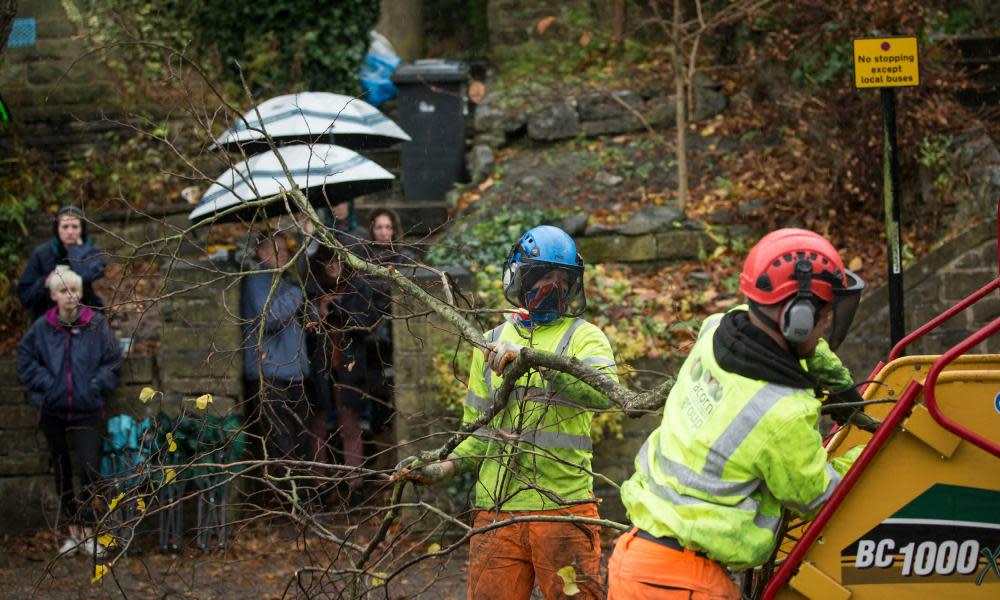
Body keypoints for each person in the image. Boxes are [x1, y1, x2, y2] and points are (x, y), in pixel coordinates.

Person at [607, 228, 867, 599]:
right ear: (799, 318)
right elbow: (820, 497)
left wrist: (841, 387)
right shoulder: (782, 412)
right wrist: (871, 452)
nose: (826, 324)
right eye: (823, 315)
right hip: (683, 583)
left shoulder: (717, 329)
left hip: (635, 560)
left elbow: (794, 348)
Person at [395, 225, 618, 600]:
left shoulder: (585, 336)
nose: (554, 287)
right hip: (495, 510)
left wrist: (536, 363)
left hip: (562, 508)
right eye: (544, 276)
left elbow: (605, 393)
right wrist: (441, 467)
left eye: (562, 279)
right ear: (519, 276)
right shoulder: (492, 340)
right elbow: (476, 434)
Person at [16, 266, 120, 556]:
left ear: (81, 293)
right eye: (63, 291)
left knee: (89, 470)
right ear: (53, 296)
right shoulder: (41, 328)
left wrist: (96, 385)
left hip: (87, 410)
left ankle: (88, 532)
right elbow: (24, 360)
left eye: (74, 290)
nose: (70, 296)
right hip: (53, 411)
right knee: (62, 472)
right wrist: (48, 385)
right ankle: (73, 533)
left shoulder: (97, 325)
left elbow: (113, 359)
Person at [306, 245, 378, 506]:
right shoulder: (311, 292)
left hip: (350, 370)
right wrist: (319, 313)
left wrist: (339, 312)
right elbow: (306, 332)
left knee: (351, 427)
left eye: (337, 260)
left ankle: (355, 487)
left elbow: (367, 324)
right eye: (327, 261)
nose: (333, 266)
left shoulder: (357, 290)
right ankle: (319, 488)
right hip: (320, 370)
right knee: (318, 428)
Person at [241, 231, 311, 463]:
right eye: (276, 250)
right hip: (270, 376)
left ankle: (304, 495)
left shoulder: (283, 282)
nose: (283, 255)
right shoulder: (257, 281)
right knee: (282, 446)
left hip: (294, 375)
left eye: (285, 250)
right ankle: (291, 496)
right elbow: (269, 318)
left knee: (302, 444)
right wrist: (297, 293)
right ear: (261, 254)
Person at [363, 207, 415, 432]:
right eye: (379, 227)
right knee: (375, 390)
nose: (384, 232)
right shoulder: (362, 258)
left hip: (400, 330)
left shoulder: (405, 258)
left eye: (388, 227)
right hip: (371, 332)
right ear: (372, 230)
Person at [17, 206, 107, 322]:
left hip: (87, 319)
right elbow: (25, 296)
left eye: (75, 227)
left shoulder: (93, 252)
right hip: (48, 321)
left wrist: (76, 250)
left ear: (82, 229)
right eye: (65, 227)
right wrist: (45, 282)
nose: (70, 232)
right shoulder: (42, 254)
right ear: (57, 229)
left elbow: (89, 275)